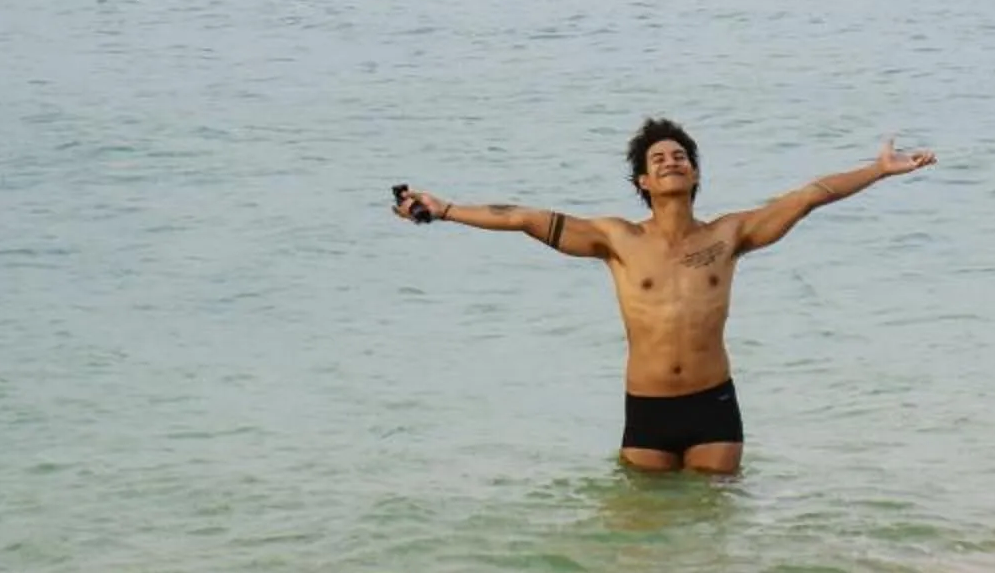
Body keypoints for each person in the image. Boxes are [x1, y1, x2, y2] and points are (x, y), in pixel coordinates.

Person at [391, 118, 934, 475]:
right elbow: (523, 218)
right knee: (642, 548)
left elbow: (810, 196)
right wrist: (445, 210)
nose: (671, 161)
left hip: (713, 406)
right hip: (647, 410)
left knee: (710, 538)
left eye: (680, 156)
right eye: (658, 159)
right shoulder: (616, 239)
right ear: (643, 183)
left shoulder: (729, 235)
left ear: (695, 174)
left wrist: (879, 170)